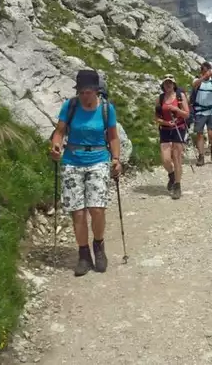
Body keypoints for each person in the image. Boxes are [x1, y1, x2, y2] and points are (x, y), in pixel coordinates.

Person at [50, 69, 122, 277]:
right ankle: (83, 254)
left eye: (88, 92)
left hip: (99, 159)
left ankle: (98, 246)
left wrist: (116, 159)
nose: (85, 96)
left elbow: (113, 137)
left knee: (97, 208)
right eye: (81, 92)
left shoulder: (107, 109)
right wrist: (56, 146)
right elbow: (60, 131)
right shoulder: (70, 106)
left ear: (96, 91)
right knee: (78, 212)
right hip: (72, 159)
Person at [155, 74, 189, 199]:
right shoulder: (160, 98)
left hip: (178, 128)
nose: (168, 85)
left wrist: (176, 109)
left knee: (177, 157)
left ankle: (177, 186)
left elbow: (186, 114)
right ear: (163, 85)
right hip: (165, 129)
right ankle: (172, 174)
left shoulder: (180, 97)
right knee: (165, 160)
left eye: (170, 83)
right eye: (166, 83)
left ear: (174, 84)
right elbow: (156, 117)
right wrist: (165, 122)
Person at [191, 61, 212, 165]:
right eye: (203, 71)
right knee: (199, 134)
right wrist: (204, 77)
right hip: (200, 110)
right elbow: (194, 84)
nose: (205, 73)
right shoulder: (197, 80)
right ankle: (201, 156)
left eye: (207, 71)